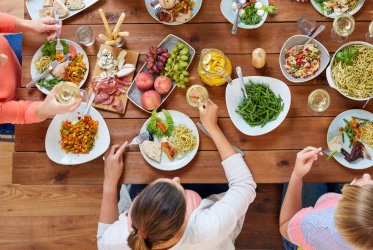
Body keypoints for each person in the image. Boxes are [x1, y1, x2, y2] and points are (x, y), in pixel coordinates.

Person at [97, 100, 256, 249]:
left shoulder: (118, 241)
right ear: (184, 220)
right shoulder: (208, 228)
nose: (176, 178)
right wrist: (212, 127)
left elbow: (102, 240)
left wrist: (110, 184)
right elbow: (244, 185)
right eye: (181, 193)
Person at [279, 147, 373, 250]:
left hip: (301, 238)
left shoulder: (314, 226)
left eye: (362, 182)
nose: (367, 174)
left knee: (312, 172)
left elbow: (285, 224)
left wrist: (297, 176)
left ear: (340, 203)